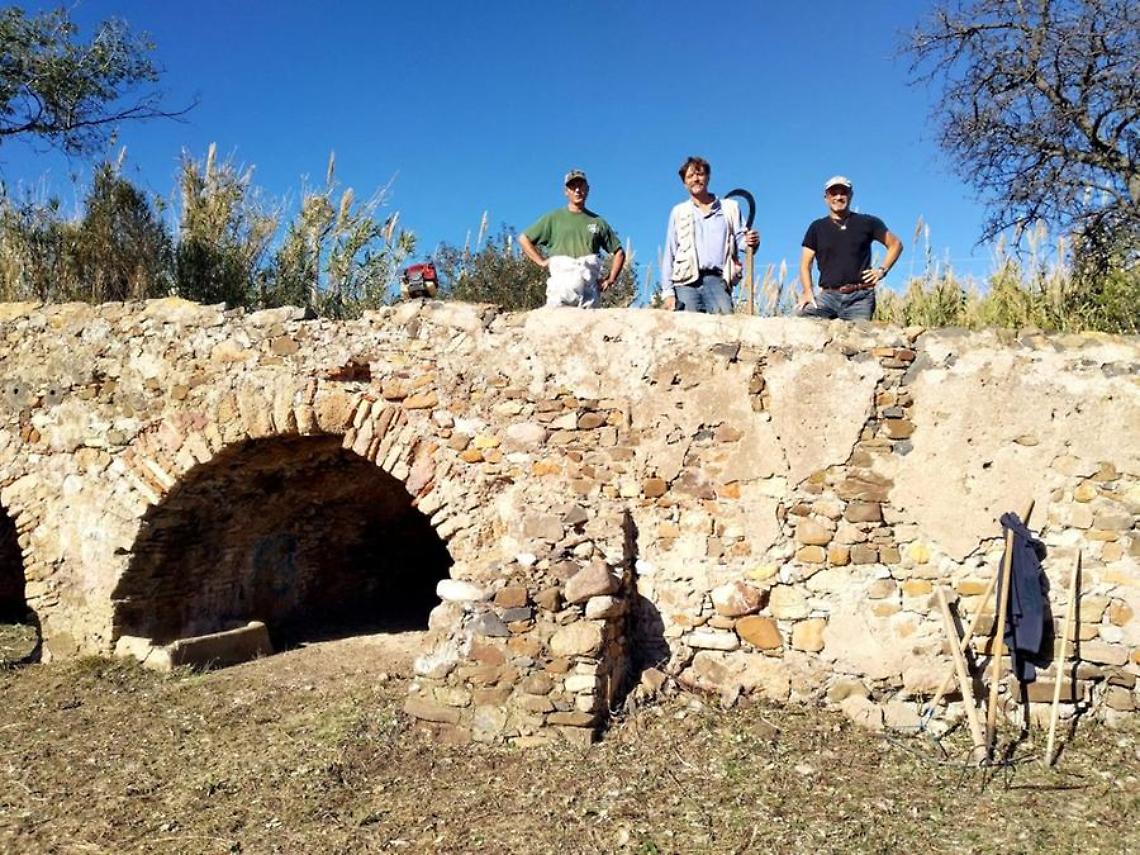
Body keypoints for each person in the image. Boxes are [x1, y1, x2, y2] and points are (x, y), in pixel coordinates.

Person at [661, 156, 760, 313]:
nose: (695, 179)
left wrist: (751, 241)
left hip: (718, 281)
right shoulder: (678, 212)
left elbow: (741, 242)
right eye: (690, 176)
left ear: (707, 177)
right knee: (688, 331)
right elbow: (670, 253)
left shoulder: (730, 208)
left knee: (725, 327)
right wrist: (667, 293)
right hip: (686, 283)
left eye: (699, 174)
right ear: (684, 183)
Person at [798, 175, 903, 321]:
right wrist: (807, 291)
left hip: (860, 297)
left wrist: (881, 271)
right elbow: (805, 264)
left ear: (851, 195)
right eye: (833, 193)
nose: (838, 197)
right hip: (827, 297)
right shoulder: (816, 227)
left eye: (843, 192)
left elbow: (895, 244)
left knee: (858, 338)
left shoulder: (868, 222)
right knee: (801, 319)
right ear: (826, 198)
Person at [518, 169, 626, 308]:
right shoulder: (554, 218)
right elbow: (524, 238)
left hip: (588, 290)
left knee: (588, 325)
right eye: (572, 187)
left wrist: (610, 279)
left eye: (581, 186)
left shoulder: (597, 222)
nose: (577, 190)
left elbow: (619, 252)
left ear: (587, 189)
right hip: (561, 287)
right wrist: (541, 262)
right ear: (566, 191)